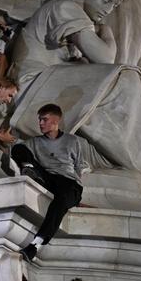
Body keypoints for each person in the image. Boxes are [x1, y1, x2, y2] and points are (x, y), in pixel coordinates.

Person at [8, 0, 141, 189]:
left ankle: (137, 162)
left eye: (115, 5)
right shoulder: (64, 8)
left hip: (51, 82)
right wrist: (107, 34)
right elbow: (105, 58)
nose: (108, 10)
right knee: (126, 77)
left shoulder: (78, 18)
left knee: (107, 101)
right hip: (34, 85)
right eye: (106, 1)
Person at [12, 104, 88, 261]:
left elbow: (79, 166)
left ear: (56, 120)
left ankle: (36, 244)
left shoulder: (72, 140)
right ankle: (30, 171)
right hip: (46, 177)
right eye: (39, 120)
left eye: (44, 120)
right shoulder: (35, 142)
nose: (40, 123)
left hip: (68, 182)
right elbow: (16, 148)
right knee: (19, 148)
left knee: (60, 201)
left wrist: (76, 196)